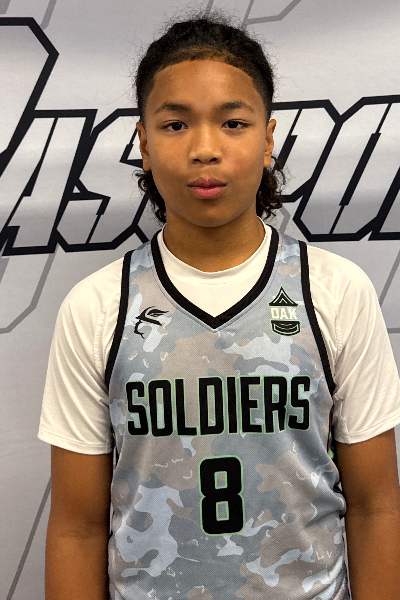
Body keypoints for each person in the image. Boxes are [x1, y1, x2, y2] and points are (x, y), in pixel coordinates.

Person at [38, 9, 400, 600]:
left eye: (233, 123)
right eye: (176, 124)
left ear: (268, 139)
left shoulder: (334, 290)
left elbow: (376, 506)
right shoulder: (98, 305)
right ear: (144, 144)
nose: (205, 149)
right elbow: (77, 529)